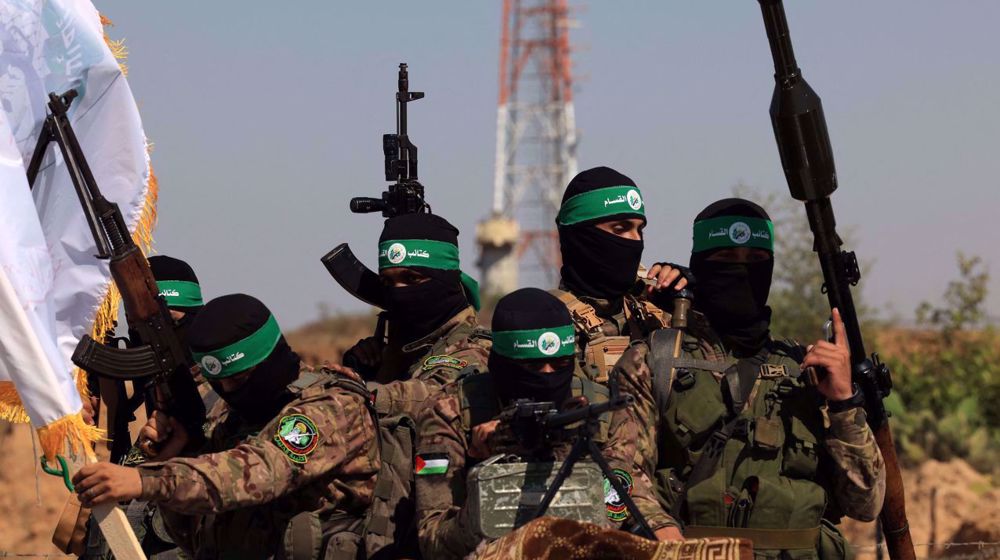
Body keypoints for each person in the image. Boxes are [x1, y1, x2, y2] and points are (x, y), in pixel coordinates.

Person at [605, 198, 886, 557]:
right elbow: (613, 480)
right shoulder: (655, 360)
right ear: (700, 267)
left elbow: (866, 503)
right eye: (724, 260)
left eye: (754, 262)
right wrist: (664, 536)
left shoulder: (804, 368)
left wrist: (844, 401)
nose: (741, 274)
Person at [73, 294, 380, 559]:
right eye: (220, 383)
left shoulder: (331, 407)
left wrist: (145, 479)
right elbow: (197, 540)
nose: (230, 391)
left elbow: (261, 471)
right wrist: (173, 456)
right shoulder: (230, 420)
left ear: (271, 357)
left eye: (240, 378)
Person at [415, 287, 614, 559]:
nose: (548, 377)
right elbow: (432, 539)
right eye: (532, 368)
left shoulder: (598, 410)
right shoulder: (449, 412)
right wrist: (483, 474)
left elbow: (620, 510)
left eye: (561, 364)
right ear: (502, 363)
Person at [341, 213, 491, 411]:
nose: (398, 292)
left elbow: (430, 396)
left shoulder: (474, 352)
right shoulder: (410, 348)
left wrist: (356, 388)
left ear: (445, 280)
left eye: (412, 279)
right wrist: (360, 369)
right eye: (387, 282)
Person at [553, 166, 686, 380]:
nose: (635, 240)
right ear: (580, 236)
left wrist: (691, 302)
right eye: (620, 229)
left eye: (639, 230)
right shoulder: (550, 323)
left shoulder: (655, 315)